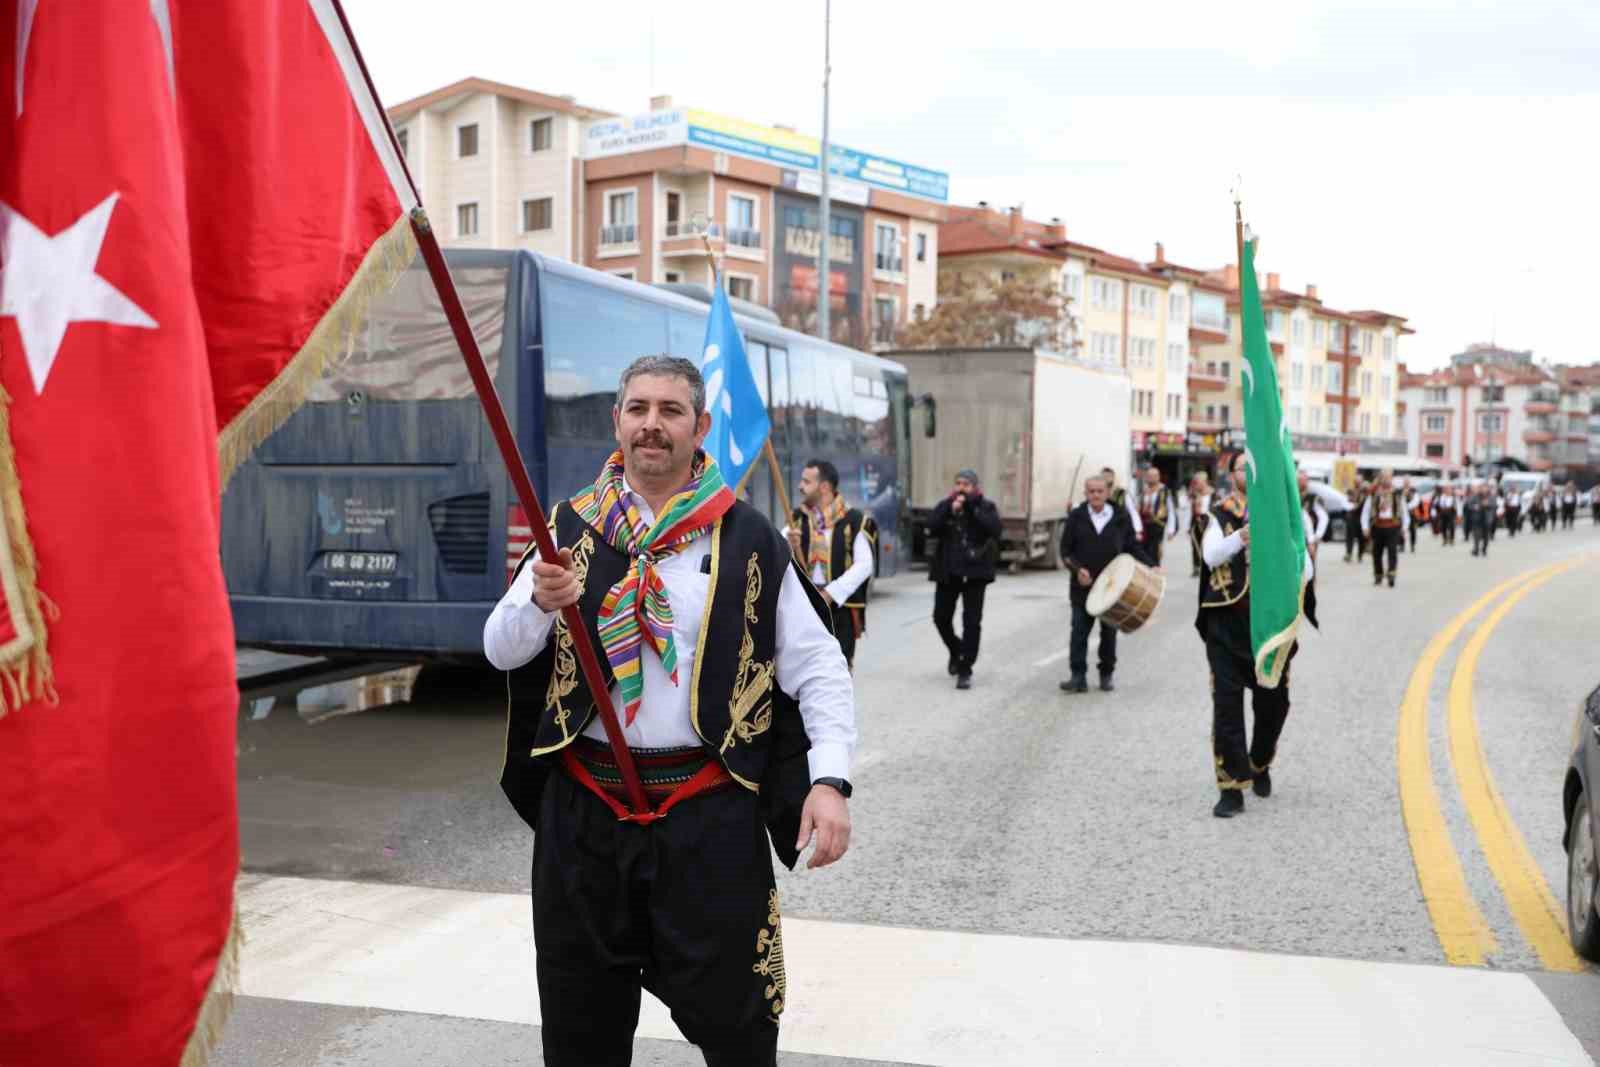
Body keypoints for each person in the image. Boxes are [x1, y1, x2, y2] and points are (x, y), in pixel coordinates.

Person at [484, 355, 855, 1067]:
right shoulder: (567, 528)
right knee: (579, 1031)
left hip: (707, 817)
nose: (652, 424)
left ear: (700, 427)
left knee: (741, 1029)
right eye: (638, 408)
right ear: (617, 421)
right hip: (585, 816)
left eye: (671, 410)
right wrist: (539, 601)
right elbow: (499, 649)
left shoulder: (748, 537)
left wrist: (829, 781)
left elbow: (819, 670)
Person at [1198, 452, 1310, 818]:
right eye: (1243, 467)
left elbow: (1305, 565)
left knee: (1273, 705)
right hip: (1228, 624)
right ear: (1232, 476)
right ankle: (1230, 787)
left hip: (1271, 627)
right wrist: (1242, 538)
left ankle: (1259, 761)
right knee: (1227, 706)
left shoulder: (1286, 512)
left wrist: (1291, 559)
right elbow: (1211, 556)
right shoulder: (1220, 512)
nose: (1251, 471)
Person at [787, 460, 877, 670]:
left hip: (840, 607)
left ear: (824, 487)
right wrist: (789, 547)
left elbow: (864, 565)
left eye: (806, 481)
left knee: (839, 669)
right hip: (805, 604)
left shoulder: (855, 520)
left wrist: (830, 593)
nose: (801, 486)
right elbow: (777, 559)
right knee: (804, 669)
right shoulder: (797, 519)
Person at [1059, 474, 1141, 694]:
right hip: (1082, 587)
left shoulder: (1121, 516)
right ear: (1085, 493)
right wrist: (1077, 570)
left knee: (1109, 633)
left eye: (1100, 491)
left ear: (1107, 493)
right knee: (1079, 633)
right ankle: (1078, 677)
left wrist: (1151, 565)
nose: (1095, 495)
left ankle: (1106, 674)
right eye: (1091, 491)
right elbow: (1065, 551)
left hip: (1112, 588)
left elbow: (1132, 547)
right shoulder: (1076, 517)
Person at [926, 469, 1002, 690]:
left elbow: (995, 529)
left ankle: (965, 668)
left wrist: (970, 507)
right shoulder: (947, 505)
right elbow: (931, 526)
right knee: (940, 617)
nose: (961, 488)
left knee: (972, 622)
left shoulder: (985, 507)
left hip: (976, 573)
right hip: (948, 572)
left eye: (966, 484)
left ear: (975, 487)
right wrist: (950, 510)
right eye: (958, 483)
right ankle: (956, 649)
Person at [1360, 469, 1409, 588]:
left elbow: (1404, 511)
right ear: (1381, 479)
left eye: (1388, 477)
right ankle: (1378, 575)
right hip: (1378, 526)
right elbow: (1366, 512)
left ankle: (1391, 575)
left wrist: (1405, 526)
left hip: (1393, 526)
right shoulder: (1374, 494)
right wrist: (1365, 527)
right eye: (1384, 477)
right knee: (1377, 552)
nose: (1386, 480)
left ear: (1391, 479)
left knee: (1392, 551)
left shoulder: (1397, 493)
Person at [1136, 466, 1173, 567]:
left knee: (1155, 550)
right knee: (1143, 550)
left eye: (1154, 476)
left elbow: (1170, 510)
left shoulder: (1164, 490)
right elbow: (1138, 506)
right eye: (1149, 476)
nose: (1151, 478)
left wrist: (1171, 529)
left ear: (1158, 477)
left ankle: (1155, 568)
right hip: (1144, 524)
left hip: (1157, 524)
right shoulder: (1144, 490)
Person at [1184, 471, 1215, 577]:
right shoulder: (1194, 494)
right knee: (1196, 545)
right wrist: (1187, 526)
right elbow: (1187, 510)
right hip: (1196, 521)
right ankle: (1197, 567)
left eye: (1199, 482)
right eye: (1196, 482)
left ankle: (1209, 567)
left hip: (1209, 521)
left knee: (1208, 545)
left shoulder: (1213, 493)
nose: (1197, 484)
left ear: (1205, 482)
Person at [1464, 484, 1494, 557]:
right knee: (1476, 535)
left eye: (1485, 488)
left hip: (1487, 519)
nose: (1483, 490)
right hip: (1477, 519)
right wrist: (1475, 507)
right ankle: (1476, 549)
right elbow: (1469, 504)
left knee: (1486, 536)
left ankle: (1484, 549)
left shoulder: (1490, 497)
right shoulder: (1475, 497)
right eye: (1481, 488)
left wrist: (1487, 504)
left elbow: (1494, 505)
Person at [1344, 478, 1369, 563]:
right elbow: (1346, 500)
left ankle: (1360, 554)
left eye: (1358, 482)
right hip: (1352, 516)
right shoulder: (1351, 491)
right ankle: (1348, 553)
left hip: (1361, 517)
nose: (1357, 483)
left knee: (1361, 538)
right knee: (1349, 536)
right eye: (1356, 482)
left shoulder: (1365, 492)